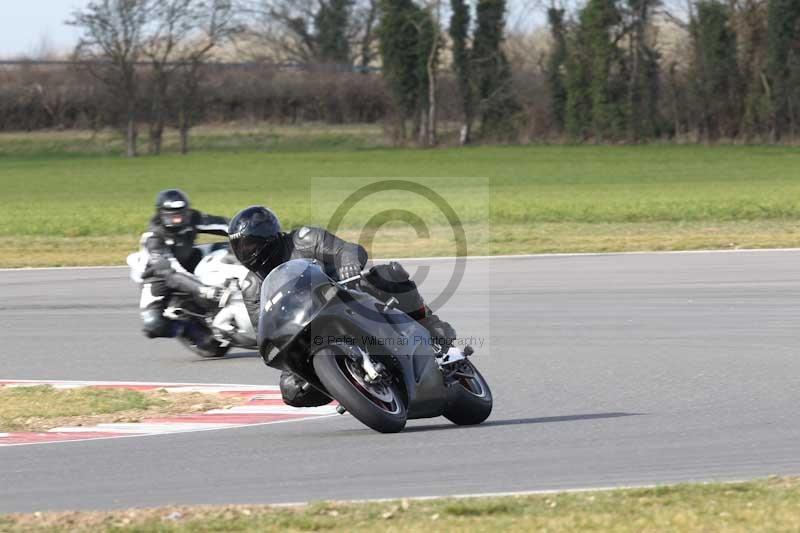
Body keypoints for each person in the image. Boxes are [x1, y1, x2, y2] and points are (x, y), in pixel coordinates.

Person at [227, 205, 457, 408]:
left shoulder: (303, 239)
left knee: (389, 275)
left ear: (268, 237)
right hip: (306, 330)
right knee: (291, 389)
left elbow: (346, 249)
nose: (244, 253)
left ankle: (430, 325)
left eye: (249, 245)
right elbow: (264, 327)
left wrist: (348, 264)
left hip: (345, 296)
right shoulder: (251, 286)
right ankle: (350, 387)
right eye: (238, 247)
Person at [138, 189, 230, 342]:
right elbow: (171, 274)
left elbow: (224, 225)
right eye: (172, 214)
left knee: (228, 249)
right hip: (158, 278)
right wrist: (202, 289)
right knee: (153, 324)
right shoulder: (154, 239)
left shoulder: (193, 218)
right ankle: (187, 328)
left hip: (189, 259)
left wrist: (250, 230)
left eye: (181, 213)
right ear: (161, 214)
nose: (178, 218)